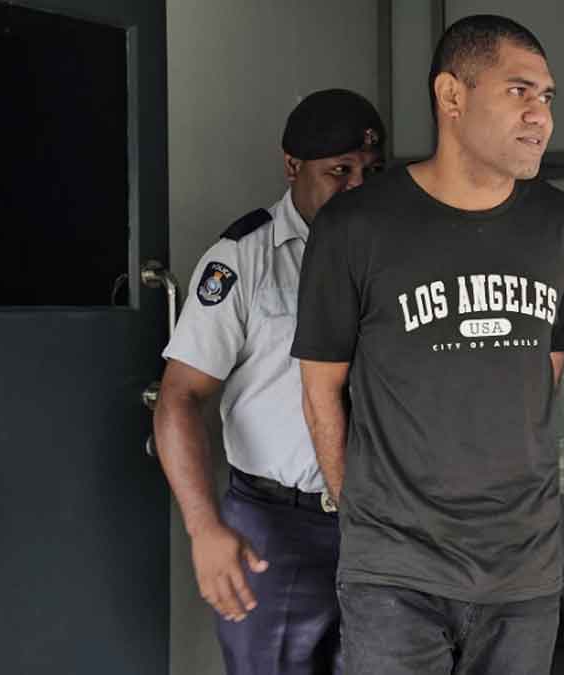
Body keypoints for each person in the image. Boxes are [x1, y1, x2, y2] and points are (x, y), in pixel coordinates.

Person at [290, 15, 564, 675]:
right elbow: (321, 390)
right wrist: (364, 522)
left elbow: (541, 373)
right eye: (518, 91)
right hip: (394, 574)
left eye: (547, 97)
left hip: (523, 569)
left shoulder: (563, 226)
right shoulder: (355, 226)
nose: (541, 115)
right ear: (451, 95)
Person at [154, 88, 385, 675]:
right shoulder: (244, 258)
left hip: (379, 520)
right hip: (278, 524)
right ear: (292, 167)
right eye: (340, 171)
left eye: (371, 171)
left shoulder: (395, 255)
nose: (358, 186)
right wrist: (204, 529)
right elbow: (179, 397)